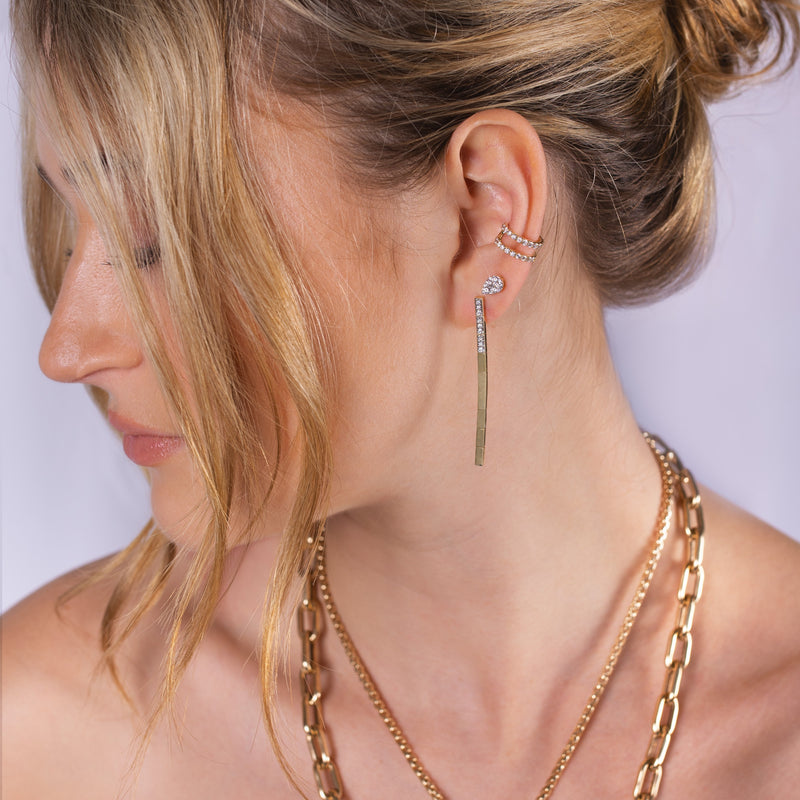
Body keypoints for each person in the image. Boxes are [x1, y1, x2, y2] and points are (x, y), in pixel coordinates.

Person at [3, 0, 800, 798]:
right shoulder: (49, 734)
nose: (66, 349)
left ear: (483, 219)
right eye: (74, 230)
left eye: (155, 243)